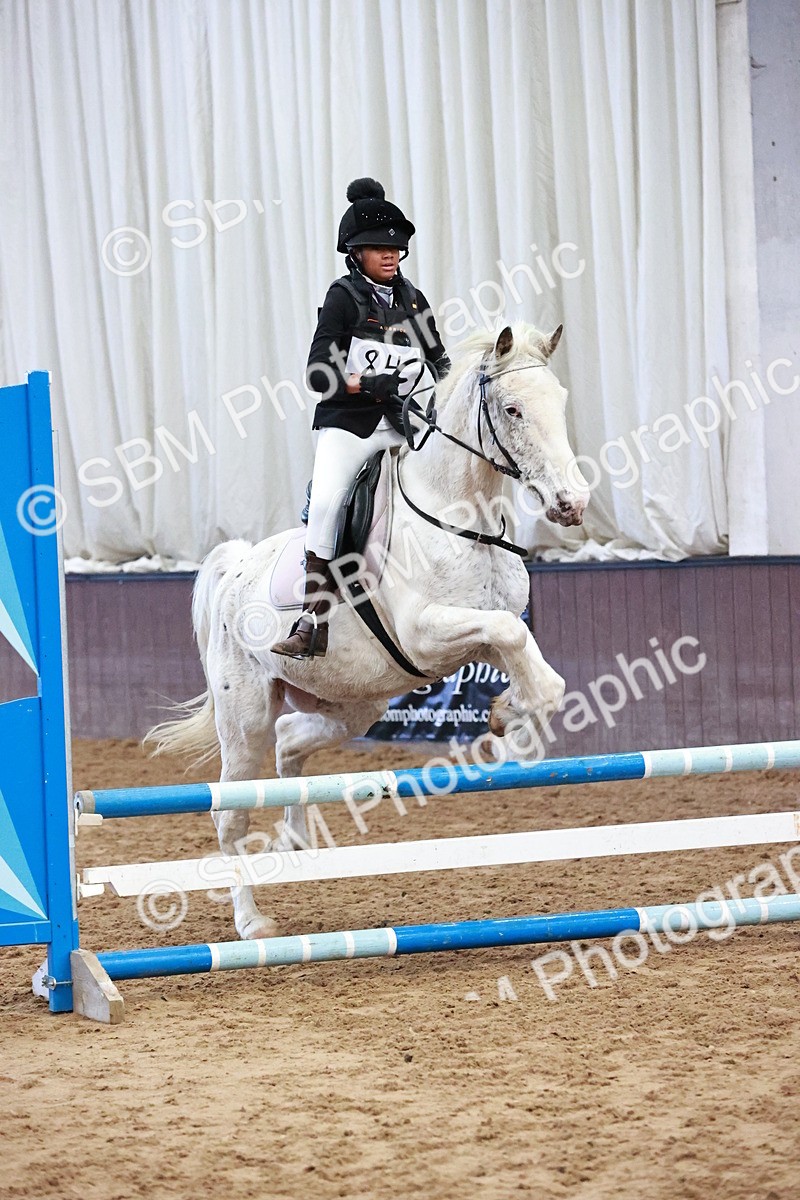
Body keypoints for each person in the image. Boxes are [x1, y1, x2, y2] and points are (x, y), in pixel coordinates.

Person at [271, 177, 450, 659]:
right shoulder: (343, 297)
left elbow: (440, 360)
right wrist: (366, 385)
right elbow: (317, 372)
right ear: (356, 253)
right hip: (350, 425)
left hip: (402, 422)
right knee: (329, 502)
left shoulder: (414, 300)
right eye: (377, 247)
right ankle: (312, 620)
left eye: (395, 247)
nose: (390, 255)